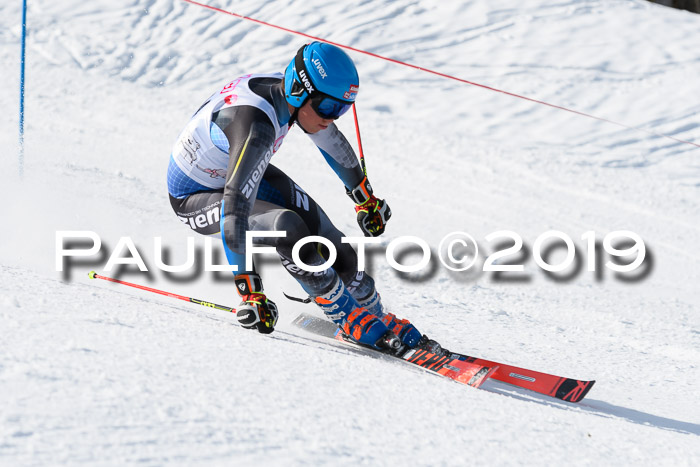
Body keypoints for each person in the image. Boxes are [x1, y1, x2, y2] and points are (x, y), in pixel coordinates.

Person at [167, 42, 446, 355]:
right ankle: (346, 316)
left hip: (235, 172)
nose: (332, 117)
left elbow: (332, 143)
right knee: (289, 228)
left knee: (330, 240)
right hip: (196, 197)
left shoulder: (293, 95)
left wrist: (365, 199)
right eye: (328, 108)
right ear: (301, 91)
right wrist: (251, 294)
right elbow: (234, 215)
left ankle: (374, 314)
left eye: (341, 109)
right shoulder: (256, 128)